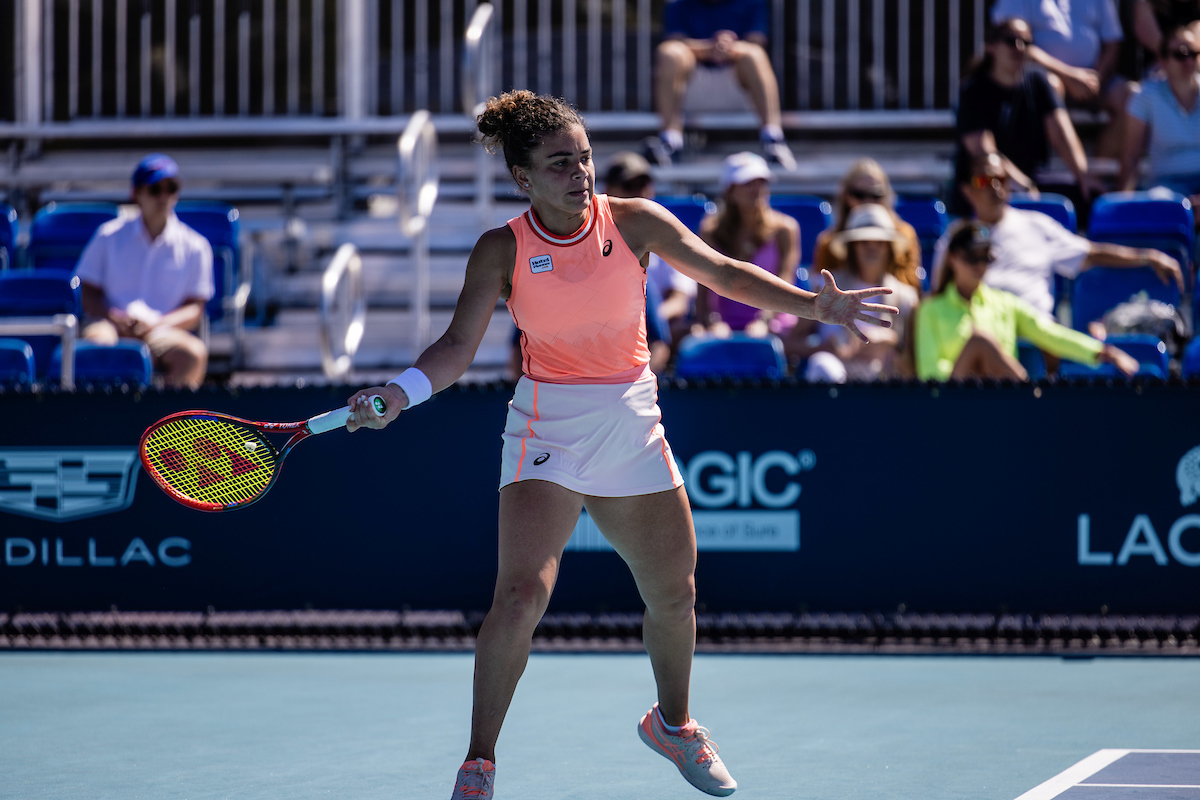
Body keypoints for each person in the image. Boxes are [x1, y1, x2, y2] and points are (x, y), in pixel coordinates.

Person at [344, 90, 895, 800]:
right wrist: (398, 394)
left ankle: (674, 724)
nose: (579, 173)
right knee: (519, 597)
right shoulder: (501, 250)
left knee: (674, 593)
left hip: (631, 419)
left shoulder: (633, 223)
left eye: (585, 157)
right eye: (559, 163)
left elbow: (722, 272)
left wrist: (813, 304)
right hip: (548, 425)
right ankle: (478, 764)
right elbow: (455, 348)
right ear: (523, 178)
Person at [936, 153, 1183, 320]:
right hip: (975, 337)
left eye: (1001, 179)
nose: (996, 187)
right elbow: (937, 294)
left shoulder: (1038, 226)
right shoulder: (955, 237)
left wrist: (1148, 257)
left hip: (1035, 340)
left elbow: (1092, 253)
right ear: (967, 190)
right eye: (984, 180)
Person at [915, 220, 1139, 380]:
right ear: (952, 259)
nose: (979, 266)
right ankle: (1031, 403)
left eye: (985, 258)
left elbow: (1051, 334)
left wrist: (1103, 352)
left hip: (999, 403)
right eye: (971, 257)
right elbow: (930, 372)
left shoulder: (1005, 303)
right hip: (953, 408)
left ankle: (1026, 403)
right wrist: (974, 377)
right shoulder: (930, 309)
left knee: (981, 343)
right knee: (980, 342)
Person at [75, 153, 213, 389]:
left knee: (193, 354)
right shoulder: (108, 236)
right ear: (136, 193)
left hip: (162, 330)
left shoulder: (196, 246)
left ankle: (168, 421)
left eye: (170, 188)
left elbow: (195, 308)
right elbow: (88, 292)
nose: (163, 196)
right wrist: (115, 318)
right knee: (97, 346)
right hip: (109, 325)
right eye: (155, 189)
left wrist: (157, 323)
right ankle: (102, 420)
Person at [952, 18, 1099, 215]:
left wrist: (1084, 176)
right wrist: (1023, 187)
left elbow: (1062, 135)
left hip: (1031, 180)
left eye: (1026, 43)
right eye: (1011, 40)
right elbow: (984, 154)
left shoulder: (1039, 81)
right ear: (991, 46)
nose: (1019, 47)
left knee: (1091, 199)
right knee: (986, 188)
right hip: (988, 183)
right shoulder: (973, 90)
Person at [646, 0, 796, 169]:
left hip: (741, 89)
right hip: (690, 89)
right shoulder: (677, 5)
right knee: (669, 52)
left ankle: (773, 140)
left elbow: (756, 42)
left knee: (755, 54)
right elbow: (675, 40)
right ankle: (670, 142)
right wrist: (710, 48)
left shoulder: (753, 3)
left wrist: (728, 48)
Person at [802, 205, 921, 382]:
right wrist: (827, 349)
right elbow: (788, 344)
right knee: (823, 365)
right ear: (853, 247)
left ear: (889, 248)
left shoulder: (907, 297)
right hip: (829, 387)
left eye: (879, 242)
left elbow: (914, 367)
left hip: (882, 389)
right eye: (864, 241)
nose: (871, 247)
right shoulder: (825, 287)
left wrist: (893, 344)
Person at [989, 0, 1130, 145]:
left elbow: (1112, 42)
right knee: (1048, 88)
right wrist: (1069, 76)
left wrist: (1096, 79)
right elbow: (1015, 43)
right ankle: (1046, 163)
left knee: (1130, 96)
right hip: (1043, 76)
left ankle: (1100, 165)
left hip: (1095, 81)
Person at [694, 152, 801, 338]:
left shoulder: (786, 229)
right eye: (747, 182)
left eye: (761, 181)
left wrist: (764, 321)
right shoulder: (710, 230)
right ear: (730, 190)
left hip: (774, 323)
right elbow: (703, 286)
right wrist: (712, 322)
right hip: (722, 324)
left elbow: (786, 279)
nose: (756, 188)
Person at [604, 150, 698, 349]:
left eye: (644, 185)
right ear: (608, 189)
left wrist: (643, 321)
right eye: (629, 185)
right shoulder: (591, 235)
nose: (639, 192)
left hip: (654, 335)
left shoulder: (667, 232)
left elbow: (679, 302)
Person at [1120, 22, 1200, 208]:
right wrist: (1123, 204)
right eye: (1180, 55)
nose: (1188, 61)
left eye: (1194, 54)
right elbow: (1131, 156)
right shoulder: (1146, 96)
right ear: (1162, 60)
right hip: (1166, 187)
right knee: (1160, 205)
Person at [811, 158, 922, 287]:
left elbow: (911, 287)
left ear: (886, 196)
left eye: (876, 195)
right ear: (846, 197)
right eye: (859, 195)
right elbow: (822, 289)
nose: (867, 201)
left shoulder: (905, 235)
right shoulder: (828, 242)